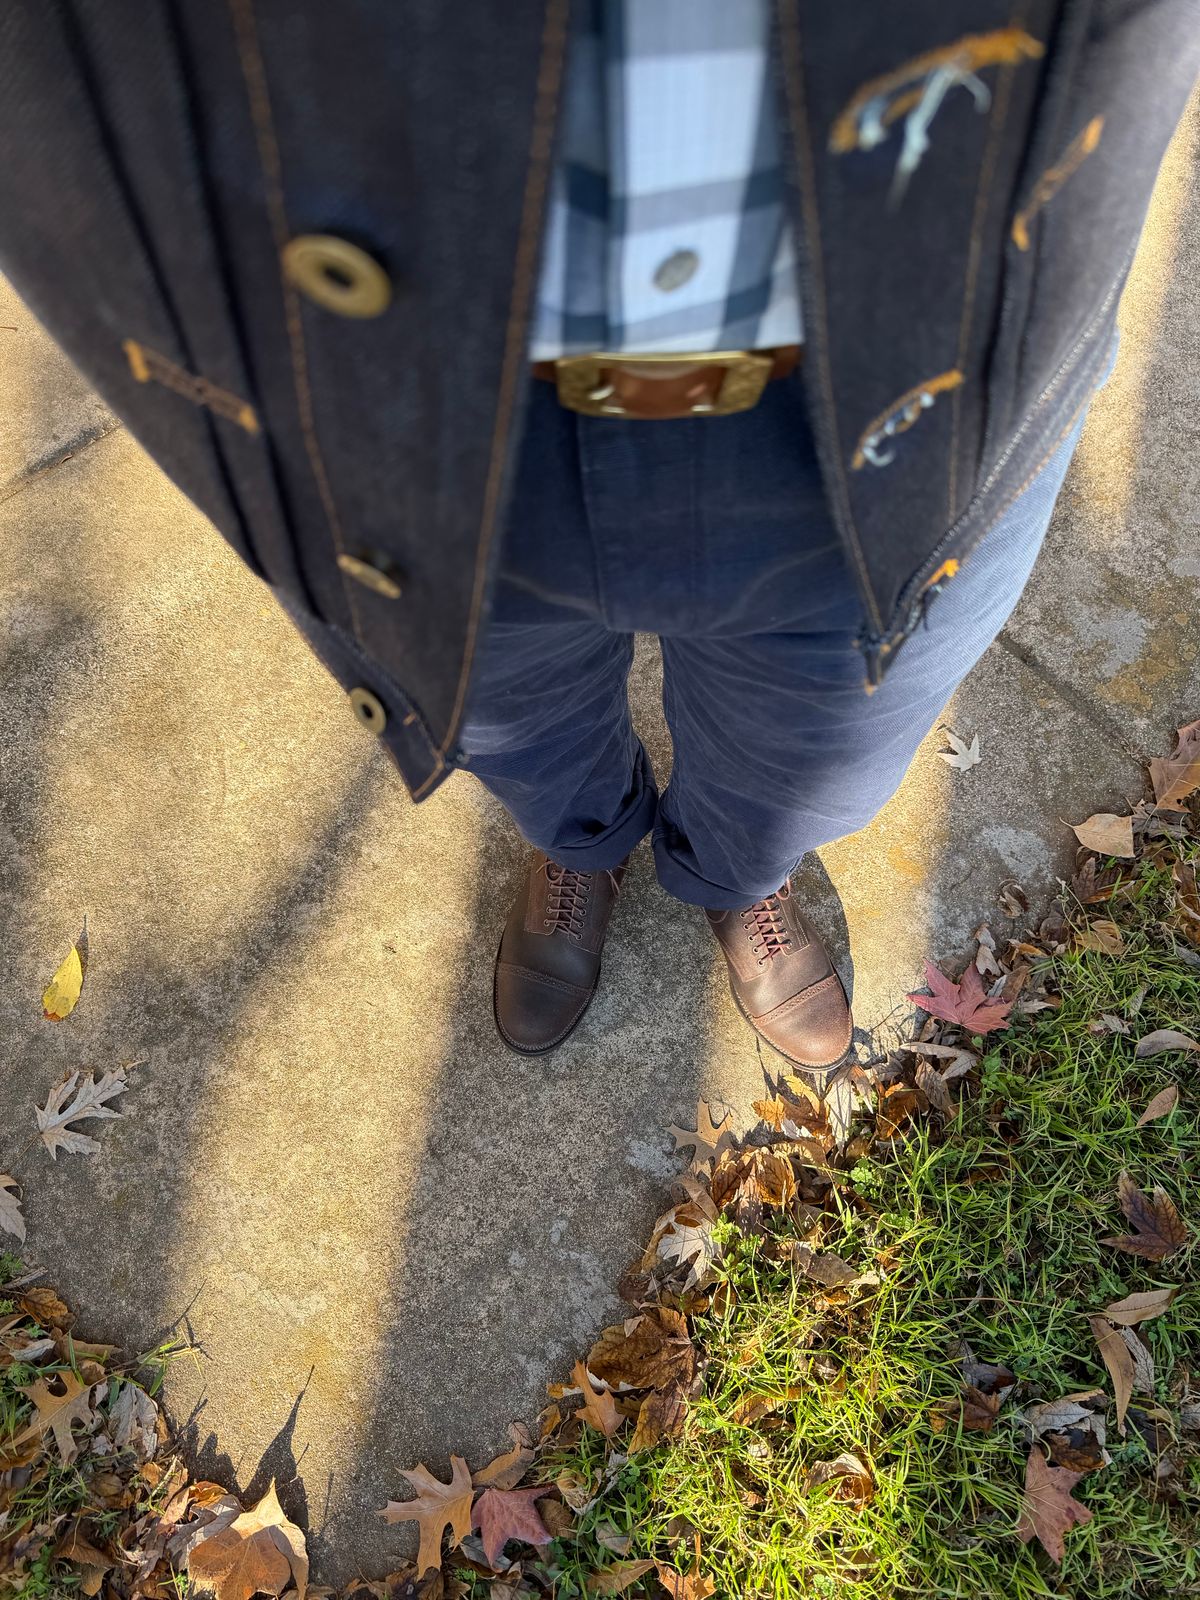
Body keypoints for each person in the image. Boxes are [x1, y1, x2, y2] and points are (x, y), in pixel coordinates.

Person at [1, 1, 1196, 1073]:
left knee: (821, 736)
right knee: (496, 697)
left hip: (902, 340)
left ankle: (741, 870)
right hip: (389, 363)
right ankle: (583, 833)